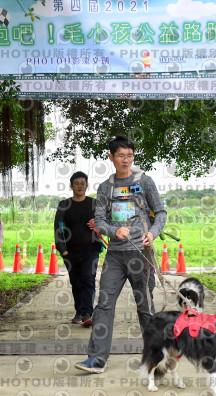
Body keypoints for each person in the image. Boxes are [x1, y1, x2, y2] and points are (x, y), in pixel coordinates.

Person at [75, 135, 167, 373]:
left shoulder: (144, 182)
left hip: (141, 254)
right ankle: (96, 359)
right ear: (111, 157)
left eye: (130, 156)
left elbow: (161, 212)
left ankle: (155, 358)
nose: (126, 160)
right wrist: (114, 231)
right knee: (104, 305)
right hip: (115, 255)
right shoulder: (105, 188)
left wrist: (153, 233)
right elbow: (99, 221)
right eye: (120, 156)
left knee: (145, 307)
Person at [54, 172, 103, 327]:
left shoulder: (94, 204)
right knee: (76, 282)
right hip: (71, 251)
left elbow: (105, 222)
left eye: (83, 183)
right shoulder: (64, 205)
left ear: (87, 186)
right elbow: (58, 227)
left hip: (91, 250)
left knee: (88, 279)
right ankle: (79, 311)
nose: (80, 186)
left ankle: (88, 313)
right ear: (71, 186)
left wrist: (97, 223)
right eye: (76, 183)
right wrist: (63, 250)